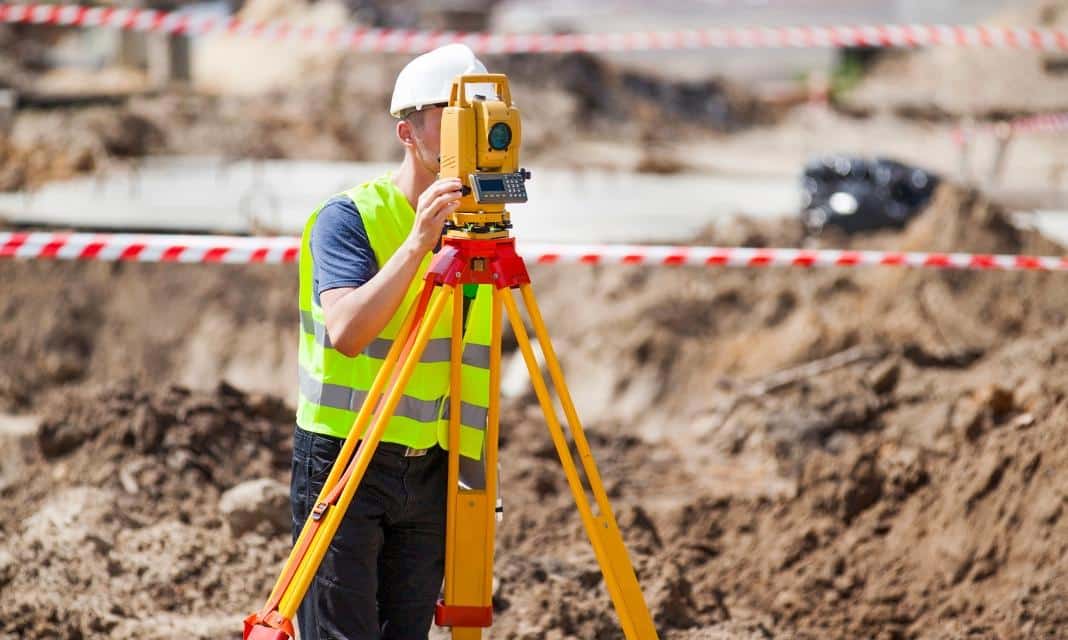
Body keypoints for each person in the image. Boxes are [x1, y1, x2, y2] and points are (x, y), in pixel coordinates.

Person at [291, 44, 495, 640]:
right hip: (345, 462)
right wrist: (418, 245)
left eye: (480, 110)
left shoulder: (480, 233)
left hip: (433, 469)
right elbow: (348, 332)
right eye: (454, 111)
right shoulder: (349, 218)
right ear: (408, 131)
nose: (474, 125)